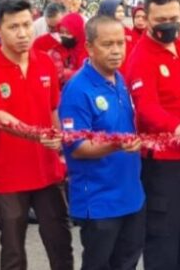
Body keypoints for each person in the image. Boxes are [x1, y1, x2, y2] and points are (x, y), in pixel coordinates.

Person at [0, 0, 73, 270]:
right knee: (14, 251)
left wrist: (59, 143)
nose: (23, 33)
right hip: (7, 175)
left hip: (47, 171)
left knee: (60, 244)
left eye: (27, 25)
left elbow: (53, 110)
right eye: (13, 27)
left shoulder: (44, 63)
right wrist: (36, 134)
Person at [125, 0, 180, 269]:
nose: (169, 25)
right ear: (147, 19)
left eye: (174, 17)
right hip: (162, 165)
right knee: (162, 238)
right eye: (160, 19)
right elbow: (146, 107)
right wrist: (177, 126)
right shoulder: (140, 57)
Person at [59, 15, 145, 269]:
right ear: (89, 47)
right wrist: (116, 145)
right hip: (98, 200)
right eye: (108, 44)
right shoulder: (78, 89)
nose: (117, 50)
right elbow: (78, 147)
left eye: (120, 43)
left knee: (127, 262)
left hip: (131, 195)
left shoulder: (120, 80)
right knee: (99, 265)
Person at [33, 12, 87, 87]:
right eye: (62, 32)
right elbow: (36, 47)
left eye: (68, 33)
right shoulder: (57, 47)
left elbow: (86, 74)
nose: (64, 36)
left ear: (78, 33)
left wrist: (66, 73)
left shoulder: (87, 50)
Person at [97, 0, 141, 67]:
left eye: (122, 11)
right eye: (118, 11)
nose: (121, 14)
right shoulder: (99, 32)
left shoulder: (127, 31)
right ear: (108, 11)